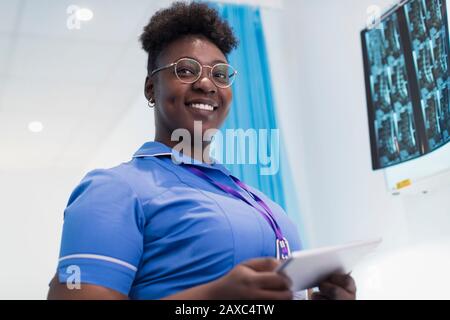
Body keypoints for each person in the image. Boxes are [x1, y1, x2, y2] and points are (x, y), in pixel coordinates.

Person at [47, 1, 356, 300]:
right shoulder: (114, 189)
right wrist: (214, 296)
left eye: (219, 74)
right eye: (185, 70)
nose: (207, 84)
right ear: (151, 88)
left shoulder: (251, 196)